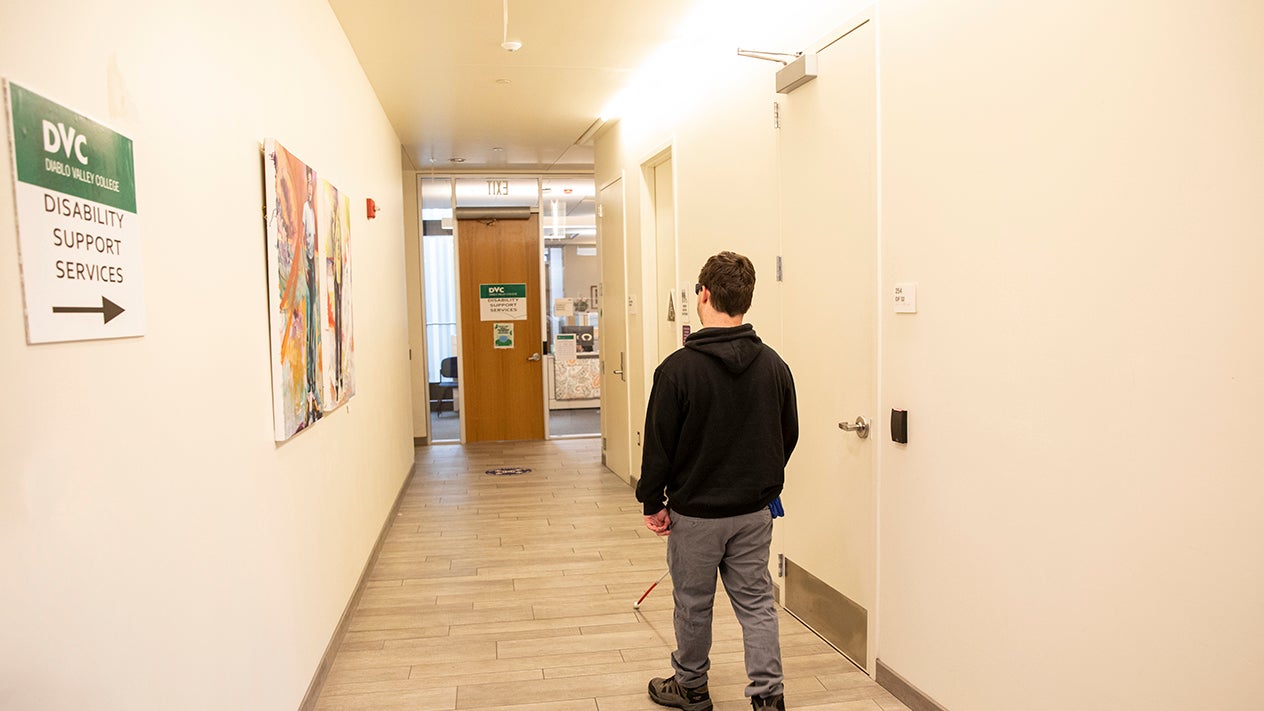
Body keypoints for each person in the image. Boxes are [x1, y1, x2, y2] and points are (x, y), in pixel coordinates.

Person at [636, 251, 799, 711]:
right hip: (753, 514)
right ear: (745, 300)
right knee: (757, 604)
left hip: (697, 516)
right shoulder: (774, 366)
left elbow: (658, 448)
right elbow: (788, 435)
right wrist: (762, 484)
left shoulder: (677, 371)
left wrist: (653, 502)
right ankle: (769, 697)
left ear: (703, 294)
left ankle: (691, 687)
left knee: (692, 603)